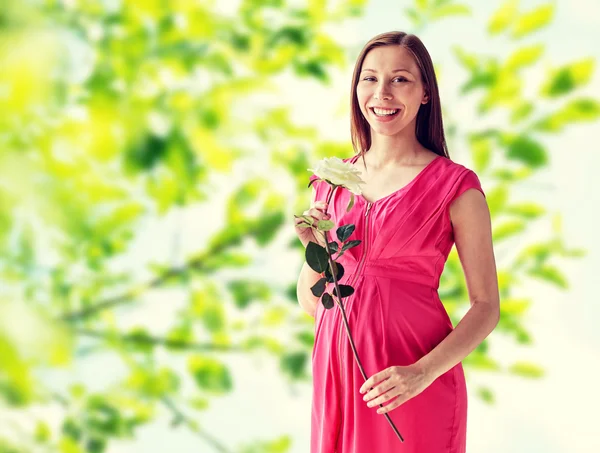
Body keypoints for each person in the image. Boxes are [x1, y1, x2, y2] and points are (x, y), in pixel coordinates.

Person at [294, 31, 500, 453]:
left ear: (426, 93)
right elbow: (313, 302)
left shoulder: (456, 187)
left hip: (410, 382)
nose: (381, 93)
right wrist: (316, 252)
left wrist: (421, 374)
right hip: (339, 373)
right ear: (356, 88)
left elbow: (486, 307)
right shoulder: (330, 181)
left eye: (400, 79)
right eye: (369, 78)